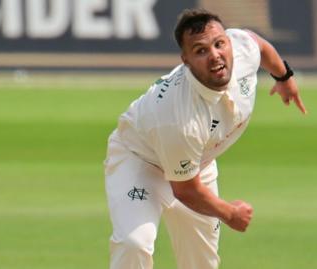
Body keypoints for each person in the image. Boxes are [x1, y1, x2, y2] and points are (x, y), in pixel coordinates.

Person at [104, 8, 306, 269]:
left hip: (196, 162)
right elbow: (185, 190)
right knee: (135, 243)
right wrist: (230, 213)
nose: (215, 55)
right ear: (185, 60)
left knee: (201, 262)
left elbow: (258, 44)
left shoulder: (241, 49)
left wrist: (284, 77)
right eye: (200, 51)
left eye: (219, 44)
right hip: (141, 162)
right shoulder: (180, 118)